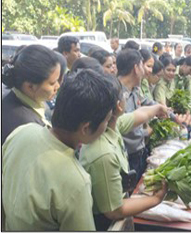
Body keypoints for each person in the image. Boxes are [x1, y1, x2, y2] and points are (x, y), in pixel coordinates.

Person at [2, 69, 118, 230]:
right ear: (86, 128)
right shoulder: (76, 182)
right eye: (107, 120)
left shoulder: (22, 132)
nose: (107, 126)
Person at [79, 75, 168, 230]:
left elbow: (139, 114)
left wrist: (158, 108)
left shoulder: (110, 125)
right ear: (119, 106)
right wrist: (156, 199)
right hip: (105, 223)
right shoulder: (103, 154)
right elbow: (114, 211)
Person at [117, 49, 167, 181]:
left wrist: (166, 111)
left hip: (139, 151)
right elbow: (125, 125)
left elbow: (147, 102)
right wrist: (147, 132)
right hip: (127, 155)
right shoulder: (117, 93)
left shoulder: (135, 88)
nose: (147, 71)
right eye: (143, 65)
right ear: (136, 68)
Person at [1, 45, 61, 144]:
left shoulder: (9, 99)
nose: (57, 86)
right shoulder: (27, 126)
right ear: (30, 86)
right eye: (52, 83)